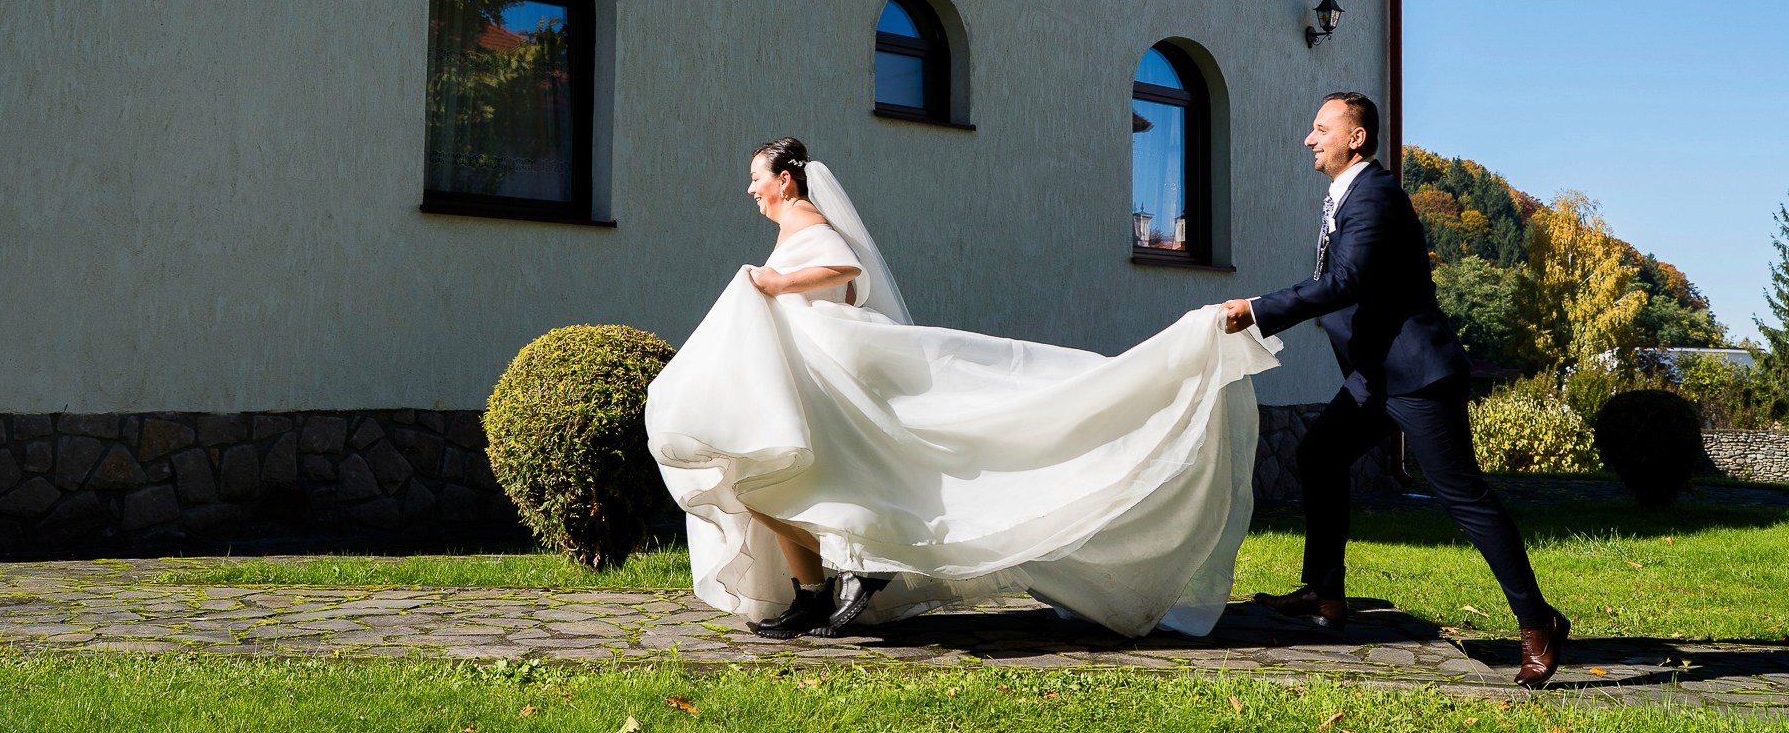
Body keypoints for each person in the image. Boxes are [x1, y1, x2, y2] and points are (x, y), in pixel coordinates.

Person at [646, 137, 1276, 641]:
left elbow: (846, 271)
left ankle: (857, 566)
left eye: (757, 176)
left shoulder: (807, 221)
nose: (750, 187)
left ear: (786, 179)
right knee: (768, 485)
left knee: (784, 484)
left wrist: (771, 285)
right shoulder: (789, 230)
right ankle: (814, 593)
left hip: (832, 378)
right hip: (810, 381)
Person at [1219, 93, 1571, 689]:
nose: (1310, 138)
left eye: (1321, 128)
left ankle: (1539, 623)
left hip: (1417, 376)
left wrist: (1256, 309)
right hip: (1375, 376)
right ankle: (1326, 595)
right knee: (1318, 455)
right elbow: (1337, 283)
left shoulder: (1375, 195)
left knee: (1462, 496)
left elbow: (1345, 281)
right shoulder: (1346, 198)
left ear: (1355, 139)